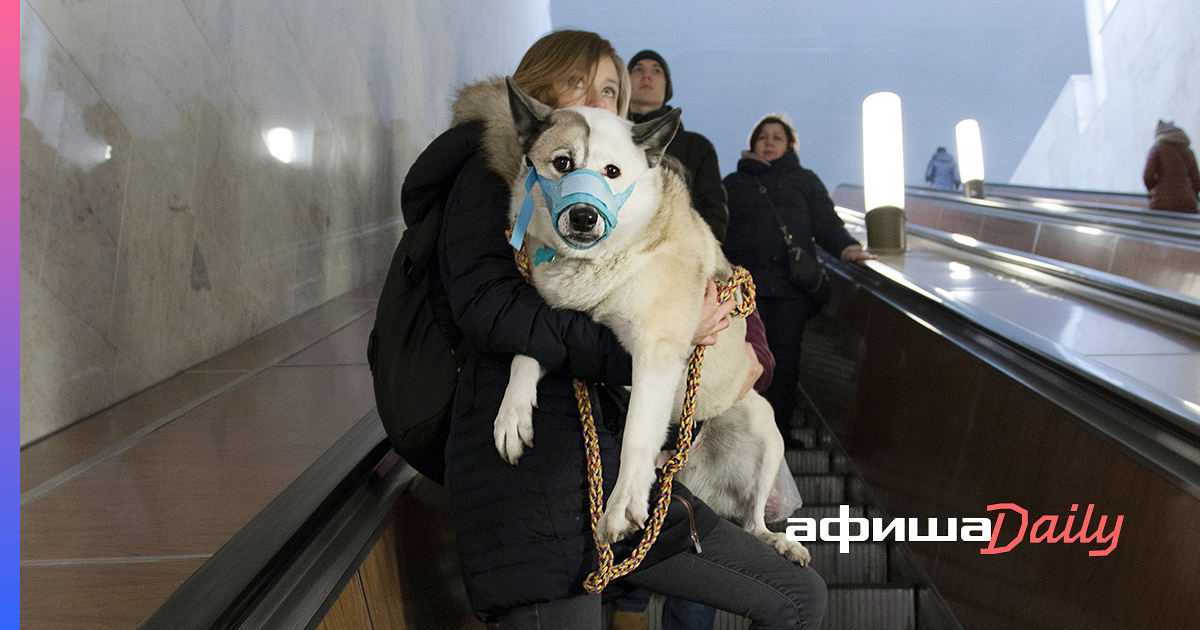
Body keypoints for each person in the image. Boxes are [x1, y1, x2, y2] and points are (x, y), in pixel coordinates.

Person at [405, 30, 827, 629]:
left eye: (611, 89)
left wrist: (742, 340)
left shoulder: (623, 192)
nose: (598, 101)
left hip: (608, 464)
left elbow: (697, 263)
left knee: (797, 596)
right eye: (579, 83)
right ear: (538, 88)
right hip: (537, 483)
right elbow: (491, 308)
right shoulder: (491, 173)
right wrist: (634, 347)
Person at [723, 114, 873, 434]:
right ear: (753, 146)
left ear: (790, 145)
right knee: (745, 358)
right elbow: (714, 228)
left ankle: (779, 433)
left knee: (785, 362)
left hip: (790, 288)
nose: (769, 142)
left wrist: (846, 248)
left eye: (777, 137)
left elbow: (826, 222)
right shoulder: (734, 184)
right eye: (762, 137)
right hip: (744, 288)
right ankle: (740, 432)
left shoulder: (804, 181)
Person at [627, 50, 729, 242]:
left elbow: (713, 212)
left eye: (657, 71)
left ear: (667, 89)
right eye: (638, 70)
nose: (647, 75)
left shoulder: (697, 147)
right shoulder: (610, 138)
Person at [1143, 120, 1200, 214]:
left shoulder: (1157, 149)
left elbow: (1147, 176)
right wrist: (1192, 196)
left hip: (1162, 204)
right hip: (1187, 203)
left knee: (1161, 227)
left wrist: (1156, 191)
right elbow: (1197, 180)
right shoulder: (1188, 151)